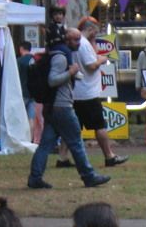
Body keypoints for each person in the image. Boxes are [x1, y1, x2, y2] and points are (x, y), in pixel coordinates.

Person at [27, 28, 112, 189]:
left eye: (79, 39)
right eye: (75, 40)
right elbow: (53, 80)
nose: (78, 43)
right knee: (76, 142)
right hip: (62, 106)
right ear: (66, 40)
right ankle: (88, 176)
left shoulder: (56, 53)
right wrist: (71, 72)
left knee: (46, 144)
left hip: (52, 106)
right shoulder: (60, 56)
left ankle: (35, 177)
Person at [73, 18, 127, 167]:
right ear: (90, 29)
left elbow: (91, 56)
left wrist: (94, 42)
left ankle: (63, 157)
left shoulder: (80, 43)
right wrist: (102, 60)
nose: (97, 34)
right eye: (96, 30)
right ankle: (109, 155)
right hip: (88, 92)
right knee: (99, 125)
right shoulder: (83, 44)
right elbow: (91, 65)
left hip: (78, 91)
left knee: (74, 126)